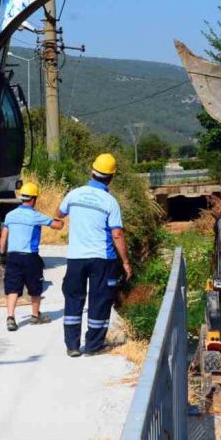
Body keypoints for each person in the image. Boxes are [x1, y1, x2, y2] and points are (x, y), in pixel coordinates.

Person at [56, 153, 133, 357]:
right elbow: (116, 233)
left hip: (75, 257)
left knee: (73, 298)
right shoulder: (110, 201)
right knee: (99, 300)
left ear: (92, 171)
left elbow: (59, 213)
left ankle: (72, 346)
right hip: (102, 258)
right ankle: (93, 346)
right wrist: (125, 262)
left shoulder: (74, 194)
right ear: (111, 177)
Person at [0, 181, 63, 332]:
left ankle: (10, 317)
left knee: (13, 288)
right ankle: (35, 316)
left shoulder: (10, 215)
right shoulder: (36, 216)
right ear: (34, 199)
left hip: (13, 256)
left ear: (22, 197)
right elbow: (57, 226)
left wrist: (2, 255)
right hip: (30, 257)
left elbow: (3, 239)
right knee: (35, 287)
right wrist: (60, 217)